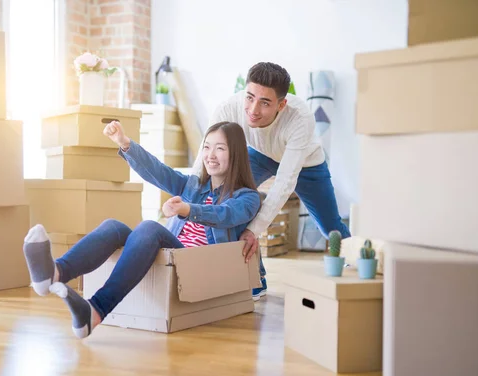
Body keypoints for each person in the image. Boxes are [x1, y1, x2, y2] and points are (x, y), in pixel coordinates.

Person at [23, 120, 261, 339]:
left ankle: (96, 309)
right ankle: (54, 273)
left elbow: (226, 215)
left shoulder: (248, 197)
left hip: (198, 264)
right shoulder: (193, 185)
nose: (210, 155)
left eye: (220, 148)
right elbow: (159, 172)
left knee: (149, 228)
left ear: (236, 154)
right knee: (113, 227)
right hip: (171, 258)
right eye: (207, 147)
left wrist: (187, 209)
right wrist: (125, 144)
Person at [193, 62, 351, 300]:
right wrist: (189, 199)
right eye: (250, 97)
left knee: (331, 226)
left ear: (282, 104)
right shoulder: (228, 109)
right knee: (229, 201)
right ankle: (255, 279)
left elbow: (285, 183)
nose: (253, 110)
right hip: (260, 154)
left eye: (265, 102)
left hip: (307, 163)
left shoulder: (300, 119)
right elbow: (202, 158)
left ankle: (358, 264)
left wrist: (253, 231)